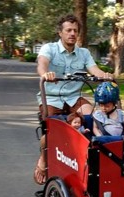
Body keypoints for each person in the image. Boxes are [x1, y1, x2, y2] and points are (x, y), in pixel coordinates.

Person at [34, 14, 113, 185]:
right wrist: (45, 74)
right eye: (68, 30)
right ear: (60, 33)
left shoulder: (83, 53)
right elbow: (42, 64)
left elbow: (94, 69)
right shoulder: (49, 48)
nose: (72, 34)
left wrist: (104, 76)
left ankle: (88, 160)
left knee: (94, 117)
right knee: (52, 130)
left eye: (75, 31)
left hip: (74, 98)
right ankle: (43, 160)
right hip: (52, 99)